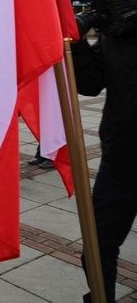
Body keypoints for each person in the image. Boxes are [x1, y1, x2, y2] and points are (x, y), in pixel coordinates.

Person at [72, 30, 137, 303]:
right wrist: (77, 44)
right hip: (121, 159)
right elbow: (90, 83)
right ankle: (101, 297)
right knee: (97, 243)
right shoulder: (116, 36)